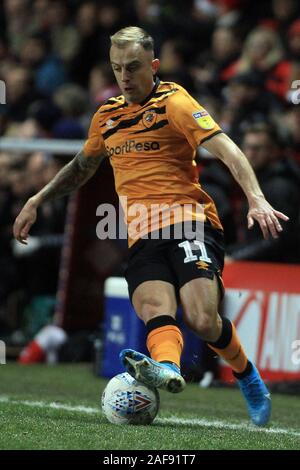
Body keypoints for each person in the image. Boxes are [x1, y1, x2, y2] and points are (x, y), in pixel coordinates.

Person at [13, 26, 289, 427]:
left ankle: (247, 376)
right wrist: (38, 199)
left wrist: (256, 197)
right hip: (142, 232)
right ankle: (168, 369)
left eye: (133, 67)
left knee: (201, 319)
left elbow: (227, 148)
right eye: (117, 68)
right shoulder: (107, 116)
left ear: (153, 65)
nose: (124, 76)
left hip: (189, 222)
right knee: (155, 309)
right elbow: (82, 167)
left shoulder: (174, 102)